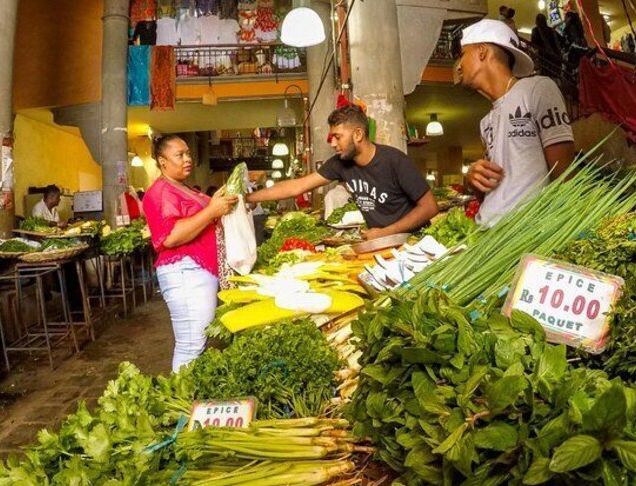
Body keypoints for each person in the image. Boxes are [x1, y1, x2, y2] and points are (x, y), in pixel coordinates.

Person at [247, 105, 439, 240]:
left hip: (414, 243)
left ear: (358, 134)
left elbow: (430, 207)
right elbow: (297, 186)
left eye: (337, 137)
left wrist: (386, 231)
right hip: (381, 241)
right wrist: (250, 197)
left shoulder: (395, 161)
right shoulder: (340, 164)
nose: (332, 143)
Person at [458, 18, 576, 227]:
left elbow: (565, 176)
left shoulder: (538, 89)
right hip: (484, 233)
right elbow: (495, 194)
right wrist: (474, 179)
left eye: (463, 54)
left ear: (482, 51)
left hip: (523, 236)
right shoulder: (485, 122)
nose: (459, 65)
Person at [142, 134, 238, 373]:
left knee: (198, 341)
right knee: (190, 345)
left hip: (197, 271)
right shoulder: (160, 192)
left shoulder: (182, 188)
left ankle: (189, 398)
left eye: (188, 153)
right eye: (179, 155)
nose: (187, 159)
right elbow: (171, 236)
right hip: (185, 272)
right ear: (162, 161)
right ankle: (180, 403)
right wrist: (211, 211)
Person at [530, 13, 561, 78]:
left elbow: (533, 44)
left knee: (546, 75)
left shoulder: (535, 31)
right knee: (555, 75)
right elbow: (560, 40)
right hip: (554, 56)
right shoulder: (551, 30)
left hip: (544, 57)